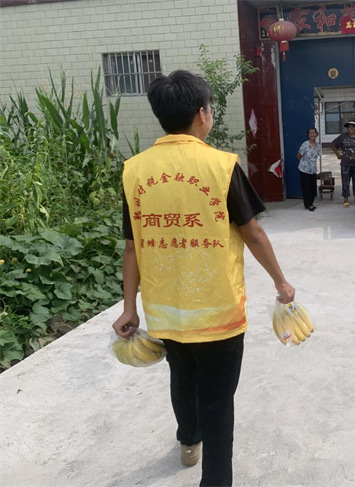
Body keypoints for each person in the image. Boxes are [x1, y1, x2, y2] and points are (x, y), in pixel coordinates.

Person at [112, 70, 295, 487]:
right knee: (217, 400)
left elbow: (132, 247)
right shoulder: (221, 166)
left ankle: (188, 441)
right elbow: (252, 232)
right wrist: (281, 283)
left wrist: (129, 308)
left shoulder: (134, 171)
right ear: (202, 114)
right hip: (218, 313)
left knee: (182, 378)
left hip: (165, 312)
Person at [332, 120, 355, 207]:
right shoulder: (343, 136)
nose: (351, 128)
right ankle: (346, 200)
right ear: (347, 128)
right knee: (345, 182)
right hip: (346, 164)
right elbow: (333, 144)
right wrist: (338, 154)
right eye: (349, 127)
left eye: (352, 127)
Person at [297, 127, 320, 211]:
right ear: (308, 135)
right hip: (304, 170)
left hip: (313, 170)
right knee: (306, 188)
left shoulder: (318, 146)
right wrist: (305, 163)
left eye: (314, 133)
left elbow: (317, 157)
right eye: (310, 133)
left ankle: (310, 203)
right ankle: (308, 204)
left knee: (313, 188)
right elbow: (298, 156)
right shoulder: (305, 144)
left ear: (316, 134)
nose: (312, 135)